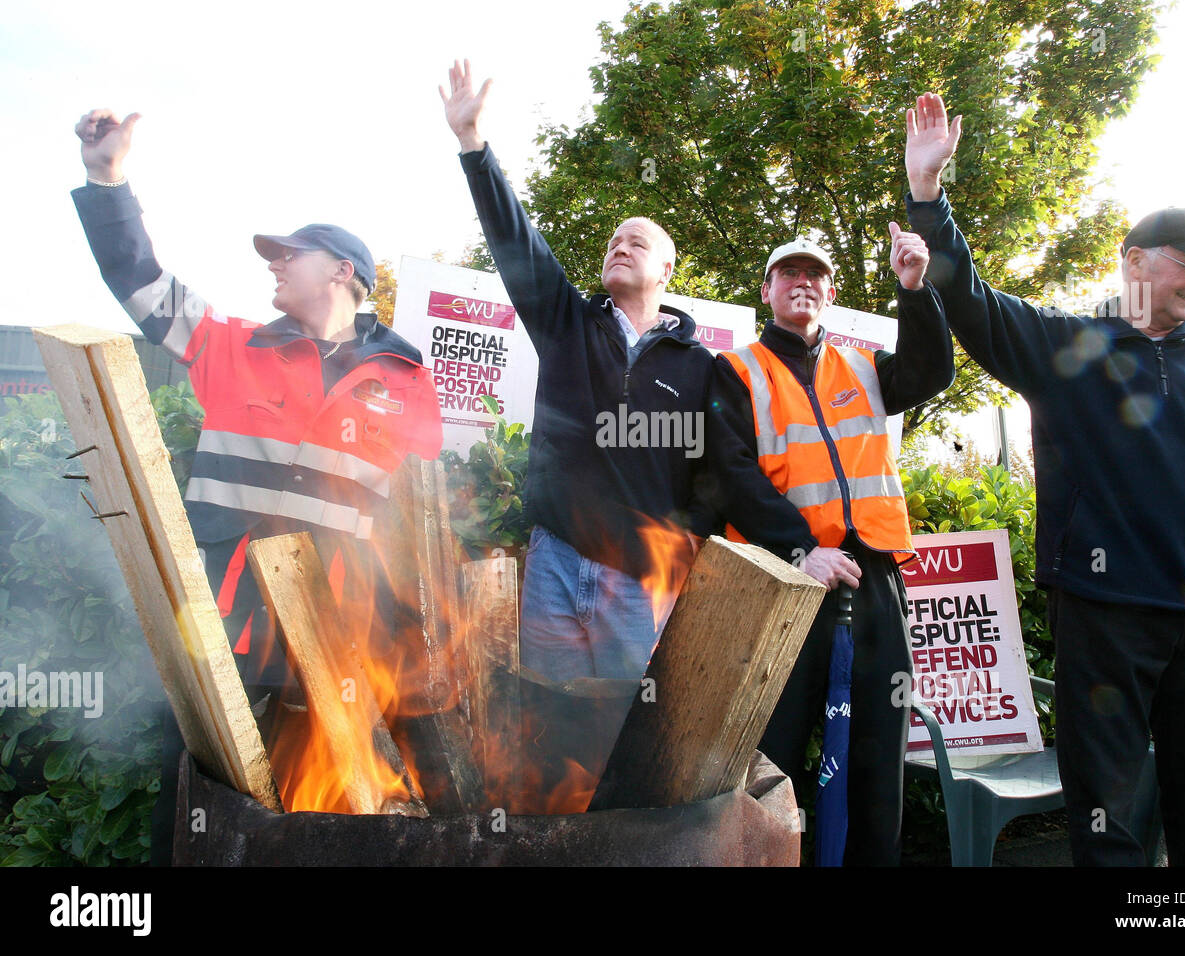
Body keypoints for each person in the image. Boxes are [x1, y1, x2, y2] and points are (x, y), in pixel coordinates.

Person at [902, 92, 1185, 865]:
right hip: (1107, 616)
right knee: (1106, 814)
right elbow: (969, 300)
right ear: (1134, 261)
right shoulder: (1066, 344)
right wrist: (927, 197)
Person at [72, 108, 442, 863]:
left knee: (306, 804)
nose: (272, 265)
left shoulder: (408, 380)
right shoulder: (228, 344)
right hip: (214, 620)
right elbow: (136, 279)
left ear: (344, 272)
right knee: (191, 791)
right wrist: (106, 178)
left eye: (289, 255)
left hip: (327, 634)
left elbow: (417, 522)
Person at [440, 61, 713, 681]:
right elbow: (517, 243)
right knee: (551, 722)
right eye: (614, 240)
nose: (620, 245)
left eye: (637, 242)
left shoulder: (699, 367)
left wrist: (687, 545)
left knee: (628, 731)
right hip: (554, 560)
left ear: (667, 271)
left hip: (639, 578)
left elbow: (714, 469)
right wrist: (473, 145)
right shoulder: (566, 323)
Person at [704, 232, 954, 865]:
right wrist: (798, 549)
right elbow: (729, 473)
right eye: (787, 274)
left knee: (878, 752)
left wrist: (916, 288)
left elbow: (933, 370)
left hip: (871, 580)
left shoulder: (865, 366)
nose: (802, 283)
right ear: (767, 291)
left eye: (814, 275)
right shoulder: (735, 369)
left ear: (831, 292)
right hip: (783, 581)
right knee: (773, 755)